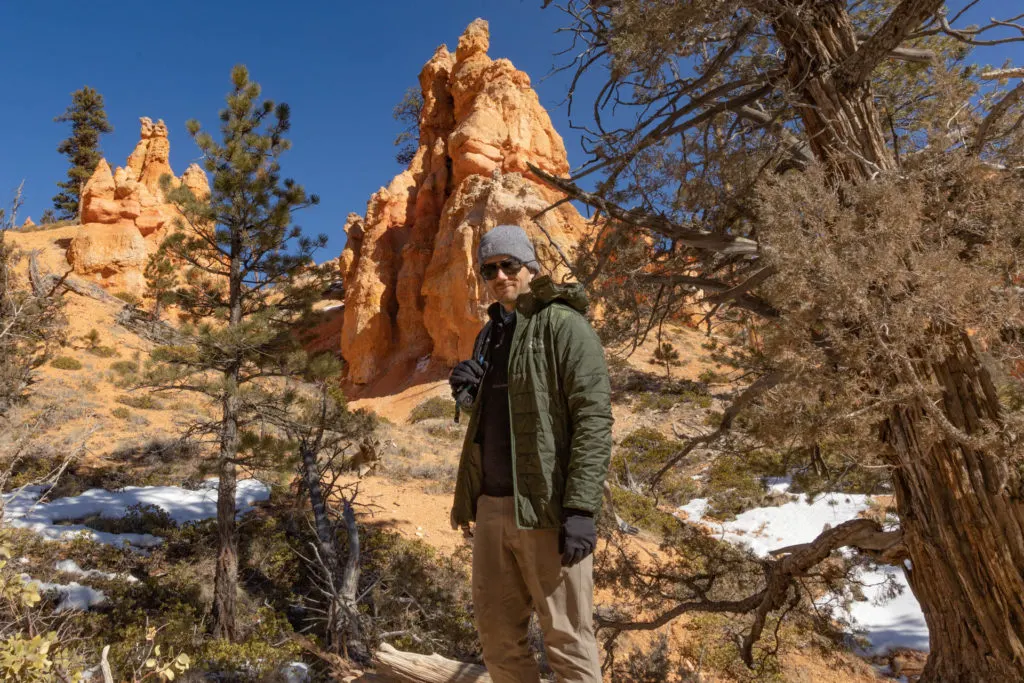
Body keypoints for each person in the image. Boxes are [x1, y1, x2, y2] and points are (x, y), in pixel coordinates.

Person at [449, 223, 612, 683]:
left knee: (568, 641)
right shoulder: (490, 335)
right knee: (498, 641)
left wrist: (580, 507)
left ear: (530, 266)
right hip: (493, 509)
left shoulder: (563, 325)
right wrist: (467, 395)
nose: (500, 276)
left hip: (547, 509)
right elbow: (503, 413)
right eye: (489, 269)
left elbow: (593, 419)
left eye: (509, 265)